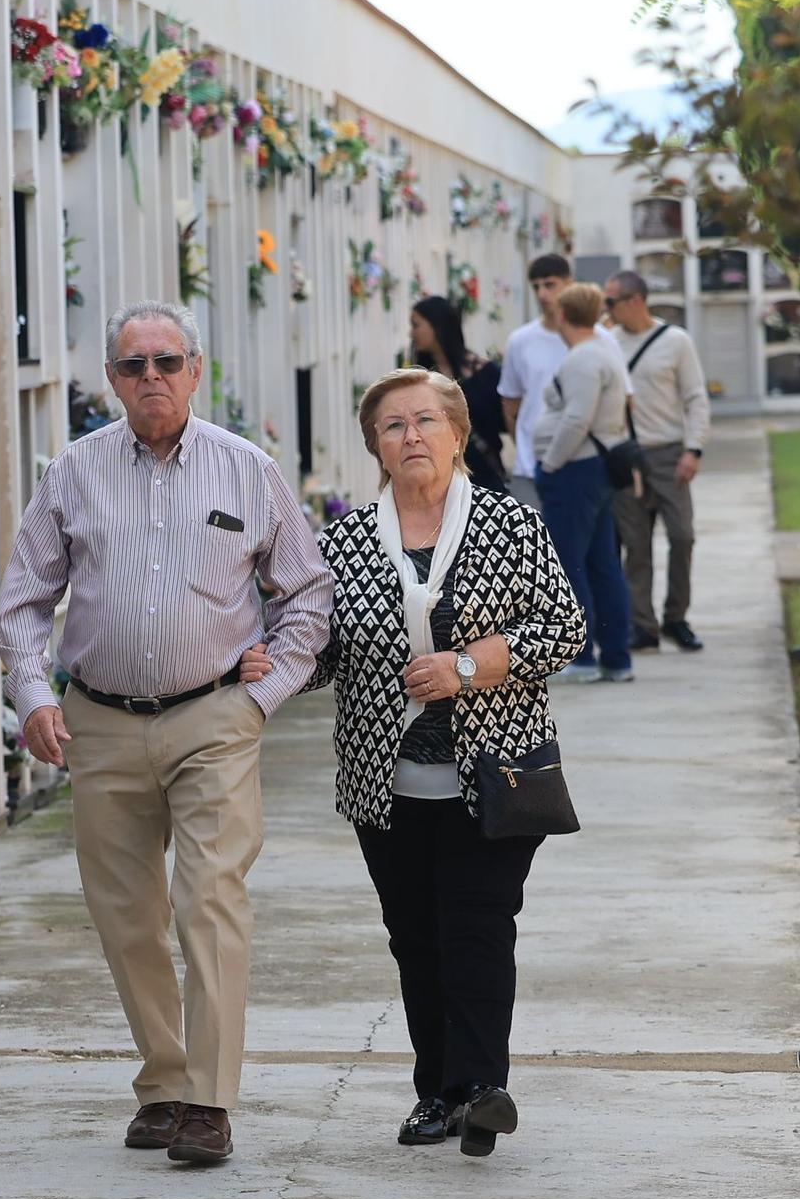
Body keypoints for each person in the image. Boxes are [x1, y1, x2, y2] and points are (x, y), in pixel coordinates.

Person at [0, 300, 333, 1165]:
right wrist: (34, 694)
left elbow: (307, 593)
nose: (152, 377)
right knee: (126, 915)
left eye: (167, 362)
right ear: (111, 379)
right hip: (100, 723)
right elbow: (25, 597)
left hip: (215, 717)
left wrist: (266, 693)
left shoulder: (247, 469)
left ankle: (210, 1103)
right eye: (134, 365)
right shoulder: (71, 472)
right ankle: (166, 1081)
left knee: (209, 900)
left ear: (196, 369)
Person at [239, 368, 586, 1158]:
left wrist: (469, 667)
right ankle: (438, 1090)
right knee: (415, 936)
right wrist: (270, 659)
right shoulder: (346, 540)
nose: (411, 436)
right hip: (383, 782)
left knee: (479, 926)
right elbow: (322, 653)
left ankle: (479, 1089)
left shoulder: (510, 525)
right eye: (393, 426)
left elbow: (564, 628)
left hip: (495, 772)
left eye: (426, 420)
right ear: (376, 447)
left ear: (458, 433)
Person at [604, 270, 711, 653]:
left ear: (636, 300)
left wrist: (693, 449)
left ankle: (676, 617)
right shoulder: (608, 341)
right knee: (636, 545)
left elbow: (695, 396)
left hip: (668, 452)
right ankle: (643, 626)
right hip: (627, 454)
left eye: (611, 301)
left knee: (682, 536)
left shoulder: (675, 341)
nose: (606, 309)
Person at [533, 282, 635, 683]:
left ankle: (583, 657)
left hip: (576, 470)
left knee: (571, 564)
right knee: (601, 562)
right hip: (594, 468)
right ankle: (615, 657)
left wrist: (551, 465)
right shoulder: (601, 351)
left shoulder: (582, 359)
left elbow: (577, 418)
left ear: (562, 316)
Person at [498, 254, 619, 510]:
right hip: (530, 468)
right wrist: (529, 447)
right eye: (536, 286)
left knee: (574, 548)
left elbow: (621, 401)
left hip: (584, 465)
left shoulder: (602, 340)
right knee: (528, 547)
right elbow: (511, 405)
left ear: (569, 283)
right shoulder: (520, 340)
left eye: (550, 285)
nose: (542, 294)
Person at [410, 295, 506, 492]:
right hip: (436, 479)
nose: (411, 333)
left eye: (416, 325)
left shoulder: (483, 372)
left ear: (436, 326)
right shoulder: (418, 377)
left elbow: (503, 420)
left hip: (482, 476)